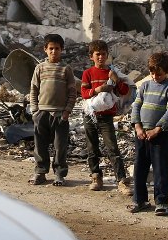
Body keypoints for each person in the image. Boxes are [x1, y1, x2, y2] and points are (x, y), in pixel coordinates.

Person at [129, 51, 168, 216]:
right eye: (152, 73)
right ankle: (140, 200)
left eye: (159, 74)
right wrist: (138, 127)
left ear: (167, 71)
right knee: (139, 169)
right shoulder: (144, 86)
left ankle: (161, 202)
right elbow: (136, 106)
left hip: (160, 136)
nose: (155, 77)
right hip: (142, 135)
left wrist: (157, 129)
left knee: (160, 170)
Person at [79, 40, 131, 191]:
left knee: (112, 148)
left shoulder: (113, 72)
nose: (101, 57)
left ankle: (121, 181)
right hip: (90, 115)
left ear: (108, 55)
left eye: (103, 54)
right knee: (92, 148)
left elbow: (124, 91)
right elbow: (84, 93)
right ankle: (96, 177)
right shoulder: (88, 73)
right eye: (98, 54)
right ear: (91, 56)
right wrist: (98, 90)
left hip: (106, 116)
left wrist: (115, 80)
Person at [28, 33, 77, 186]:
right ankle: (40, 172)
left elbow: (72, 92)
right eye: (51, 48)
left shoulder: (66, 69)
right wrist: (35, 111)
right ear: (45, 49)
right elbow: (33, 90)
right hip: (42, 112)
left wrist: (67, 111)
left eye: (57, 48)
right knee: (40, 144)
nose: (54, 51)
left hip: (60, 114)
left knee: (60, 146)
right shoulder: (40, 68)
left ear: (61, 50)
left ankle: (59, 174)